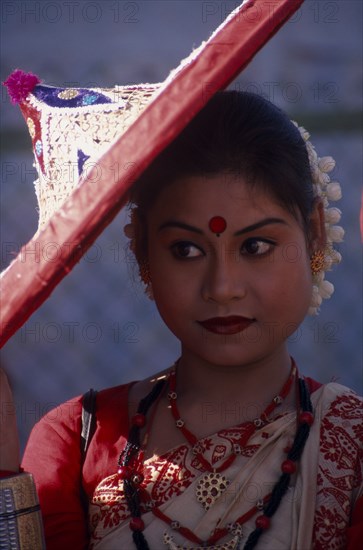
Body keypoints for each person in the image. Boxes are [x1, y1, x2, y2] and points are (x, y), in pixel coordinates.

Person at [1, 91, 362, 549]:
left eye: (255, 246)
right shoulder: (76, 439)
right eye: (186, 250)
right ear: (142, 253)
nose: (222, 286)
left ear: (314, 234)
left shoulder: (352, 445)